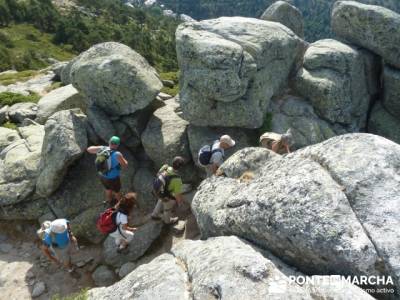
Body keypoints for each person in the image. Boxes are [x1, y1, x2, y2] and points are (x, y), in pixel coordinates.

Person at [87, 136, 128, 205]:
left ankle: (109, 200)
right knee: (116, 191)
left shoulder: (102, 148)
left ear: (109, 142)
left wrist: (101, 147)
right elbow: (125, 165)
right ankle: (121, 204)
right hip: (113, 177)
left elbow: (89, 149)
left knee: (108, 188)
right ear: (117, 145)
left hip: (102, 175)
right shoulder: (117, 154)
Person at [151, 156, 185, 225]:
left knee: (161, 198)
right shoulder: (177, 180)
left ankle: (154, 215)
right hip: (165, 194)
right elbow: (177, 195)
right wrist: (180, 203)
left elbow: (158, 174)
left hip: (157, 189)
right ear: (180, 168)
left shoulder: (165, 167)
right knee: (168, 206)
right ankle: (167, 221)